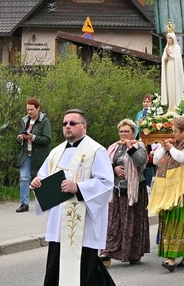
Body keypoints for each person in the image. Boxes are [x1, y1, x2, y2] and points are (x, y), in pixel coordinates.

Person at [29, 109, 115, 286]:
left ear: (84, 126)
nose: (67, 126)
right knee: (56, 266)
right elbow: (44, 175)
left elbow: (106, 183)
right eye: (64, 123)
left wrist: (79, 187)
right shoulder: (56, 152)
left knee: (85, 270)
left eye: (72, 123)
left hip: (83, 224)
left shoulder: (96, 151)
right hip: (59, 222)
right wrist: (38, 183)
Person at [148, 115, 184, 272]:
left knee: (181, 223)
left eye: (175, 131)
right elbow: (157, 160)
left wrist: (170, 148)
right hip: (171, 190)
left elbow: (183, 159)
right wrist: (163, 147)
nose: (173, 134)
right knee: (171, 222)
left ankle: (172, 258)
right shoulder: (174, 145)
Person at [100, 119, 149, 267]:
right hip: (117, 190)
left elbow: (141, 162)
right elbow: (105, 164)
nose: (123, 134)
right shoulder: (113, 147)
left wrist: (130, 148)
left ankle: (133, 254)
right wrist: (114, 168)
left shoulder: (139, 146)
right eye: (121, 131)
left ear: (133, 133)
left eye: (126, 131)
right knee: (114, 223)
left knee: (132, 223)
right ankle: (107, 253)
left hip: (134, 191)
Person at [15, 98, 52, 213]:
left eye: (31, 109)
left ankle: (46, 202)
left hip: (40, 155)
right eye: (27, 110)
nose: (29, 112)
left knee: (42, 178)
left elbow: (47, 139)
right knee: (24, 178)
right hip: (26, 154)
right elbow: (22, 134)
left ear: (38, 108)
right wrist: (20, 138)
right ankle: (24, 204)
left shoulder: (44, 121)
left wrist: (32, 137)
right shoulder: (24, 120)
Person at [161, 30, 184, 112]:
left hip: (175, 70)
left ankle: (176, 105)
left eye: (170, 38)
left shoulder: (177, 48)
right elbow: (163, 58)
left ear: (173, 39)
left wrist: (170, 55)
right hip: (169, 69)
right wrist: (166, 56)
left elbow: (178, 59)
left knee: (175, 86)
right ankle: (171, 106)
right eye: (167, 38)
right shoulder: (166, 48)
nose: (169, 40)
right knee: (170, 86)